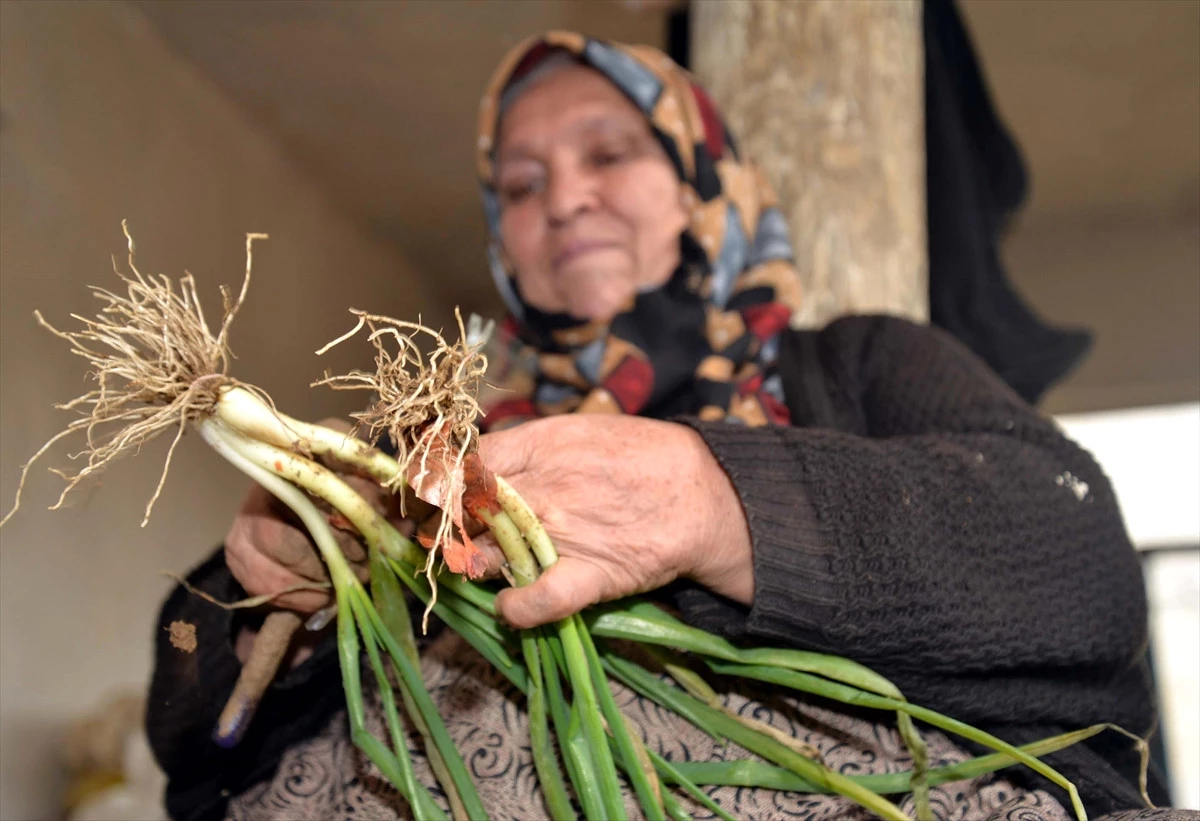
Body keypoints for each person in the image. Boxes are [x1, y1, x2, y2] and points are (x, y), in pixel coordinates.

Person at [146, 32, 1167, 821]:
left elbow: (1077, 568)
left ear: (698, 178)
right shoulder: (436, 445)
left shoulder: (852, 365)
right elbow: (199, 746)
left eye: (611, 152)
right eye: (522, 184)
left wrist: (722, 503)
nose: (568, 199)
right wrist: (271, 592)